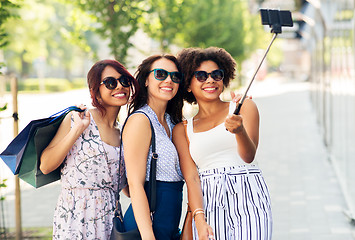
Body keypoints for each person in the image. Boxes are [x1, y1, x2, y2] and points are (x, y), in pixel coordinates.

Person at [173, 47, 273, 240]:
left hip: (248, 194)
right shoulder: (183, 129)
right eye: (201, 76)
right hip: (209, 200)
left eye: (216, 75)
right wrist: (199, 220)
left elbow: (248, 156)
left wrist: (239, 131)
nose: (210, 80)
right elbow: (192, 178)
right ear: (187, 84)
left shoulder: (243, 108)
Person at [40, 59, 138, 239]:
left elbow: (126, 186)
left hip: (110, 219)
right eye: (110, 82)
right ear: (96, 91)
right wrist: (77, 130)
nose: (119, 86)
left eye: (124, 81)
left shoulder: (125, 132)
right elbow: (46, 165)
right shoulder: (78, 119)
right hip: (75, 216)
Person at [122, 54, 213, 240]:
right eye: (161, 74)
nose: (169, 80)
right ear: (146, 80)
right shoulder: (141, 120)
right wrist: (148, 237)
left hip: (170, 222)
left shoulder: (173, 122)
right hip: (147, 225)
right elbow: (134, 185)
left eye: (175, 76)